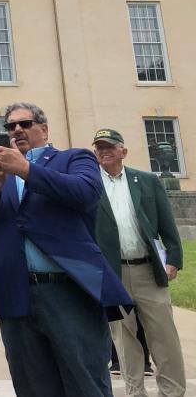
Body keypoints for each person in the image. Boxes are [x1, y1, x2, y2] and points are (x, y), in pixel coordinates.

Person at [0, 102, 132, 397]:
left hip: (68, 290)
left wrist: (26, 169)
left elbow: (84, 194)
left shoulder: (74, 158)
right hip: (16, 293)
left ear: (43, 128)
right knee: (32, 385)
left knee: (85, 381)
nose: (16, 130)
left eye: (24, 124)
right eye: (9, 126)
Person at [93, 128, 186, 397]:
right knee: (123, 338)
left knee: (164, 336)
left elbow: (167, 225)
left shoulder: (145, 181)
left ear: (123, 151)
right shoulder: (90, 184)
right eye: (99, 147)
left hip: (147, 269)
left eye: (110, 146)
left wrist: (174, 260)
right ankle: (135, 392)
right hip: (112, 274)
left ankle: (172, 392)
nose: (104, 150)